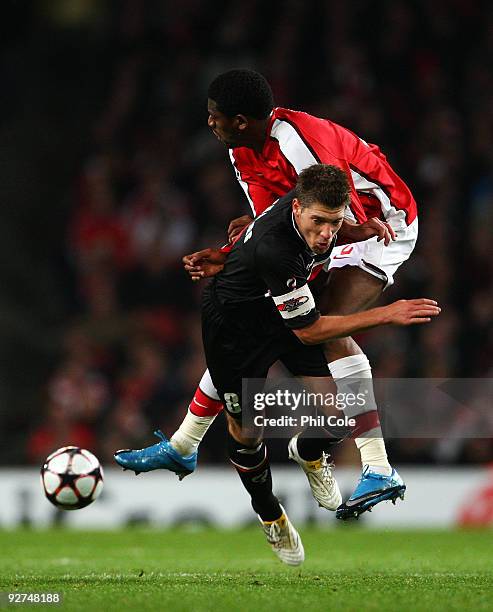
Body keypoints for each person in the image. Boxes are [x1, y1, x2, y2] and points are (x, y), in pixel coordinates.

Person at [115, 69, 420, 520]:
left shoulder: (300, 143)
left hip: (378, 223)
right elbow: (271, 225)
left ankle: (378, 466)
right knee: (249, 316)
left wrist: (386, 310)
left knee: (324, 329)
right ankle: (186, 445)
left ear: (240, 119)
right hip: (326, 227)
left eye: (214, 116)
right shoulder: (243, 150)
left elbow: (340, 213)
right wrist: (231, 256)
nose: (209, 123)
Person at [118, 165, 439, 564]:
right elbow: (309, 330)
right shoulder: (278, 251)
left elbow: (311, 243)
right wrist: (387, 314)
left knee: (337, 417)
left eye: (335, 223)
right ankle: (270, 515)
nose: (326, 234)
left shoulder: (306, 205)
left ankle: (306, 451)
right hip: (236, 328)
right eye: (319, 222)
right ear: (299, 208)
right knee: (246, 432)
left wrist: (360, 229)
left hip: (282, 313)